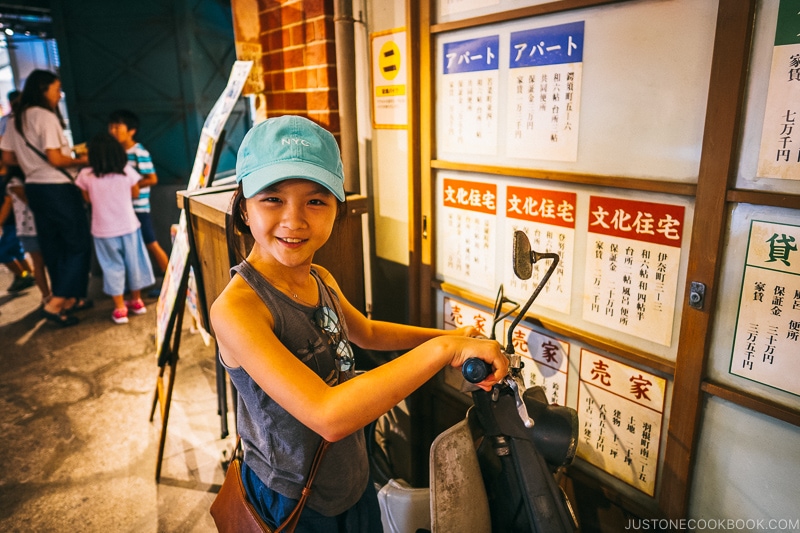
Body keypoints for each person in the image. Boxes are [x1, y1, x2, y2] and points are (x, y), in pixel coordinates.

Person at [210, 116, 508, 531]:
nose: (294, 220)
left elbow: (365, 332)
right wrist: (443, 351)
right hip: (292, 497)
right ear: (244, 207)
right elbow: (329, 415)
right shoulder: (238, 309)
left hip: (350, 473)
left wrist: (450, 336)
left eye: (316, 201)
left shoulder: (321, 279)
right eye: (272, 199)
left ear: (338, 208)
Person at [0, 70, 92, 327]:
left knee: (53, 247)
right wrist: (82, 160)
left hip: (35, 189)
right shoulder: (44, 116)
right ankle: (58, 302)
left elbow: (7, 158)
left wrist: (31, 165)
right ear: (43, 89)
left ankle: (69, 299)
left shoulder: (15, 118)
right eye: (56, 89)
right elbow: (55, 158)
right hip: (58, 189)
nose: (59, 94)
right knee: (77, 244)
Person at [75, 132, 155, 324]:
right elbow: (135, 193)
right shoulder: (127, 171)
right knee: (135, 264)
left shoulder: (85, 175)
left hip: (103, 230)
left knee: (112, 267)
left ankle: (120, 308)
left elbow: (86, 199)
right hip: (129, 226)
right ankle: (137, 301)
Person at [108, 109, 169, 276]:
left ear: (131, 131)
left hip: (139, 207)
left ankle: (170, 279)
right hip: (122, 208)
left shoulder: (138, 151)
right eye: (111, 127)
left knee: (151, 243)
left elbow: (152, 179)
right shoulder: (115, 153)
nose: (113, 131)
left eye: (117, 127)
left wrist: (128, 187)